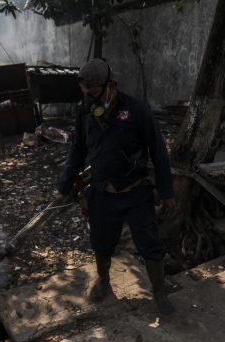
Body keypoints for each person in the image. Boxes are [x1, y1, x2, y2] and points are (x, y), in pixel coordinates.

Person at [57, 58, 177, 316]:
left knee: (150, 244)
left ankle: (159, 292)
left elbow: (159, 151)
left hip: (136, 193)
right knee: (101, 242)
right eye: (84, 92)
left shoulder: (137, 110)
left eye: (93, 92)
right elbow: (76, 152)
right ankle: (103, 280)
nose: (87, 98)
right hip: (101, 194)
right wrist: (64, 187)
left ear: (111, 86)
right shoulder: (85, 114)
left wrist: (166, 193)